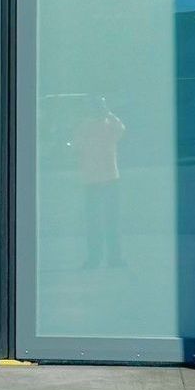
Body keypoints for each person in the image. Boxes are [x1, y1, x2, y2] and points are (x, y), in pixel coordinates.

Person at [71, 97, 127, 269]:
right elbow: (121, 130)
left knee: (97, 221)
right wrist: (109, 113)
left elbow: (76, 146)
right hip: (107, 178)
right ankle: (112, 258)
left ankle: (97, 258)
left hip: (96, 179)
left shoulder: (87, 126)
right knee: (109, 221)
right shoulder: (107, 124)